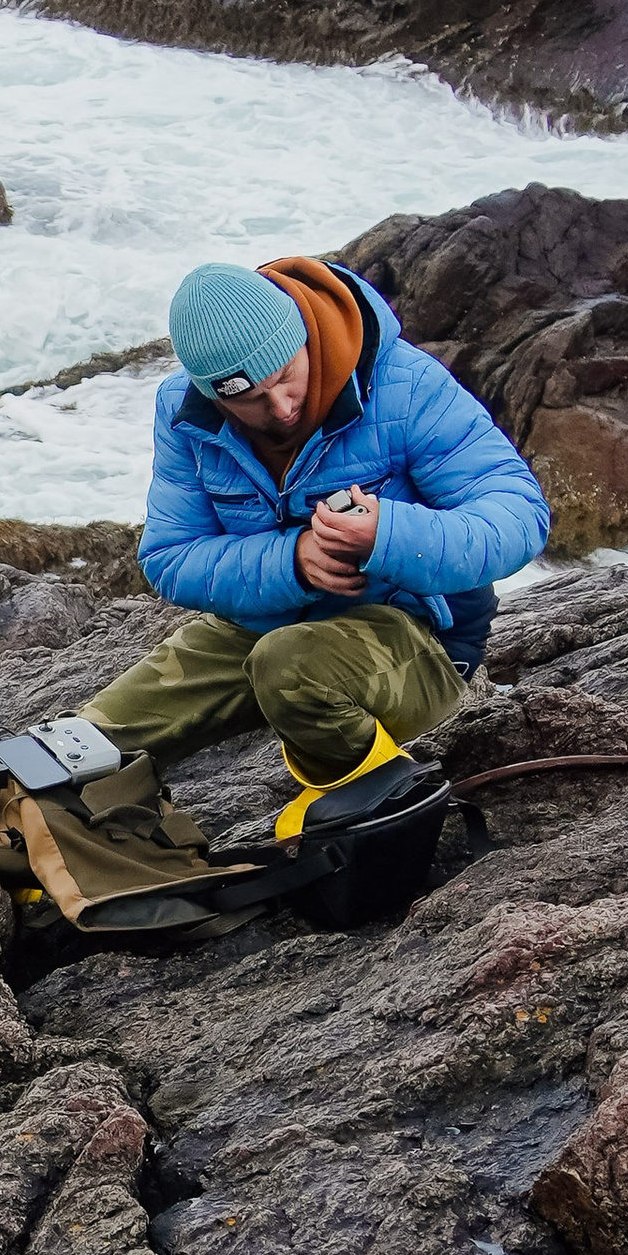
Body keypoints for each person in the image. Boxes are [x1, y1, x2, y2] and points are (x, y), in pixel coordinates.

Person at [86, 250, 551, 826]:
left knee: (290, 665)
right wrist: (294, 562)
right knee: (90, 743)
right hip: (264, 619)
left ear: (305, 336)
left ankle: (382, 800)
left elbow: (519, 515)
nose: (280, 408)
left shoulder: (402, 384)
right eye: (249, 399)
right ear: (213, 395)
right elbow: (169, 556)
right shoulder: (185, 413)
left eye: (286, 377)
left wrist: (390, 534)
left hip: (417, 635)